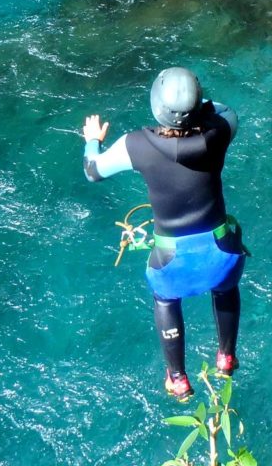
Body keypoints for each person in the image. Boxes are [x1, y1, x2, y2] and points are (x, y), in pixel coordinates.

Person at [81, 67, 247, 400]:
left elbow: (92, 171)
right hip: (222, 254)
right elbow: (224, 110)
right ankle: (226, 358)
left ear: (157, 106)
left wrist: (92, 140)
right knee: (226, 289)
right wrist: (198, 107)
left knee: (166, 299)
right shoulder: (220, 132)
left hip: (172, 262)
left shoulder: (136, 145)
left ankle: (178, 379)